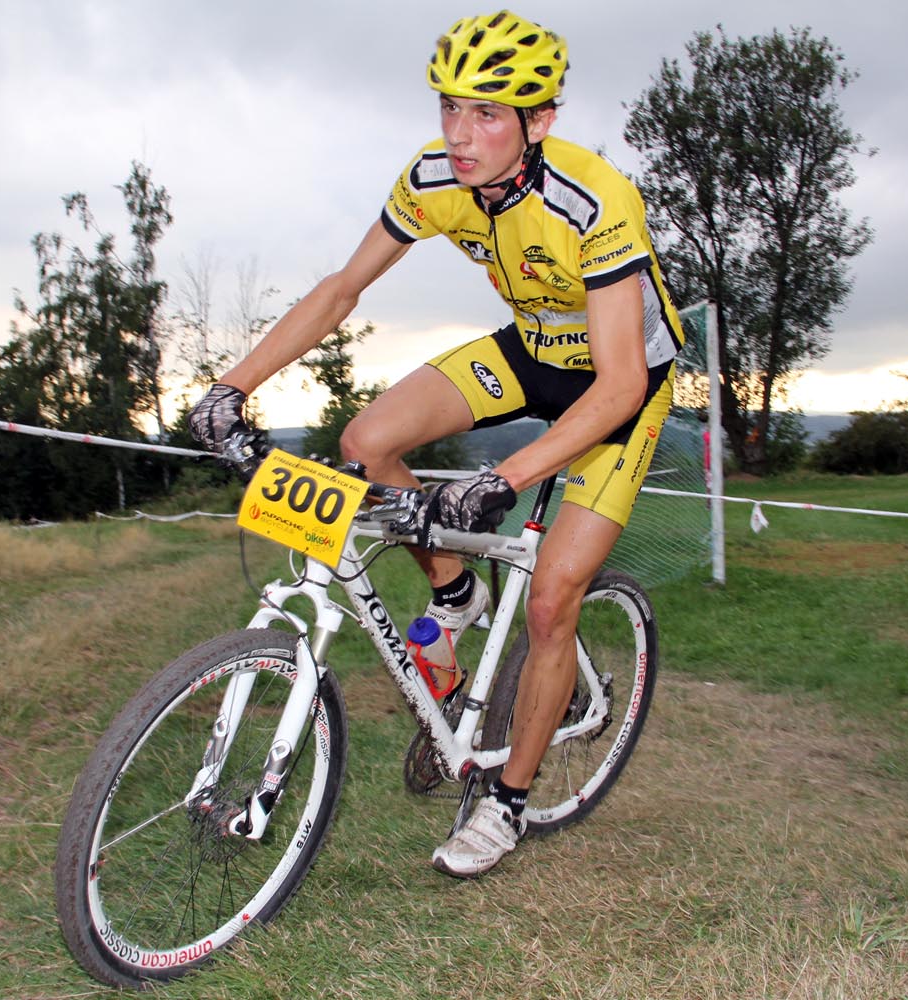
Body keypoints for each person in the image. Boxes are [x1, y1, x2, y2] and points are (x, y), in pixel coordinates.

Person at [189, 9, 684, 878]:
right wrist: (232, 384)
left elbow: (616, 386)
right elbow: (342, 289)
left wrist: (503, 480)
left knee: (551, 599)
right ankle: (455, 596)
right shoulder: (433, 178)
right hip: (532, 349)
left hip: (621, 382)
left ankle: (507, 802)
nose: (460, 133)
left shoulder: (594, 199)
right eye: (450, 107)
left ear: (539, 122)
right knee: (368, 440)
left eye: (487, 113)